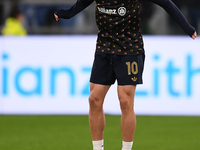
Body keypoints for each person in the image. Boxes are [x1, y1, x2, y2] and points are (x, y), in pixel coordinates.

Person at [54, 0, 197, 150]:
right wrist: (66, 14)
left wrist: (187, 28)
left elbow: (166, 3)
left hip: (130, 48)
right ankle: (97, 148)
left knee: (125, 101)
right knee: (94, 99)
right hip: (104, 47)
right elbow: (82, 3)